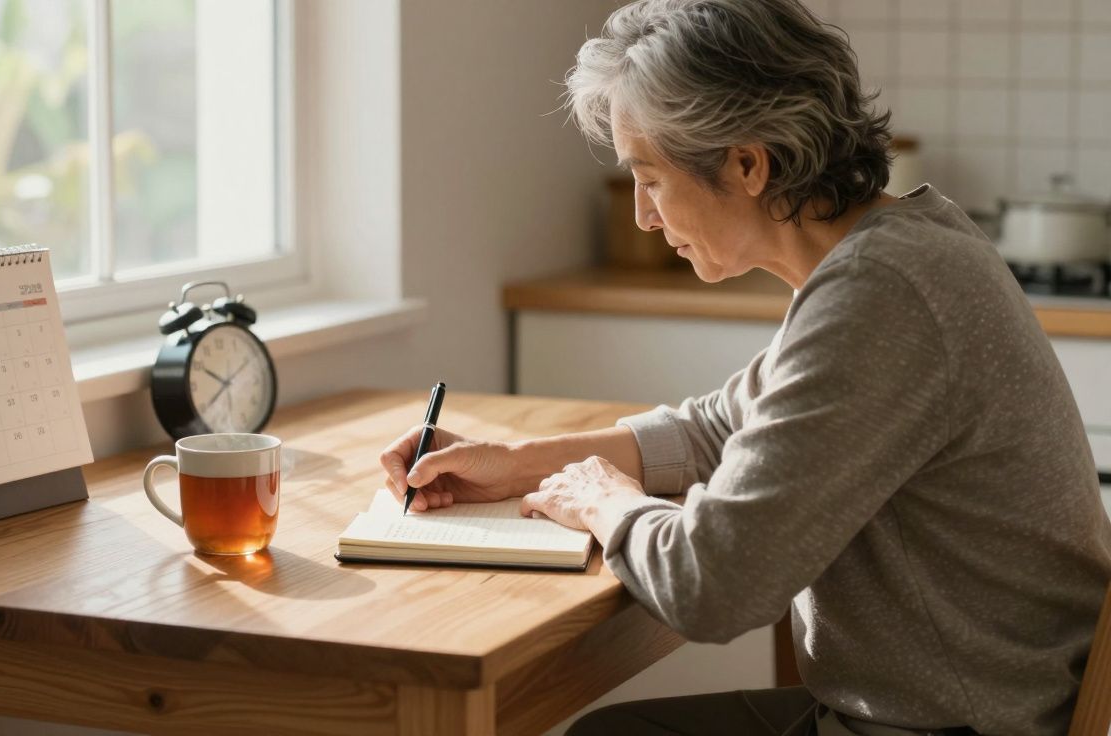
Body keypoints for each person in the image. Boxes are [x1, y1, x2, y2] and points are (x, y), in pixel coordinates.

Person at [378, 0, 1111, 734]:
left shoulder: (882, 295)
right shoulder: (899, 247)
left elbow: (713, 584)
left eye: (651, 178)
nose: (642, 215)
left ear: (748, 163)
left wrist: (606, 504)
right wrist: (518, 464)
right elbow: (717, 429)